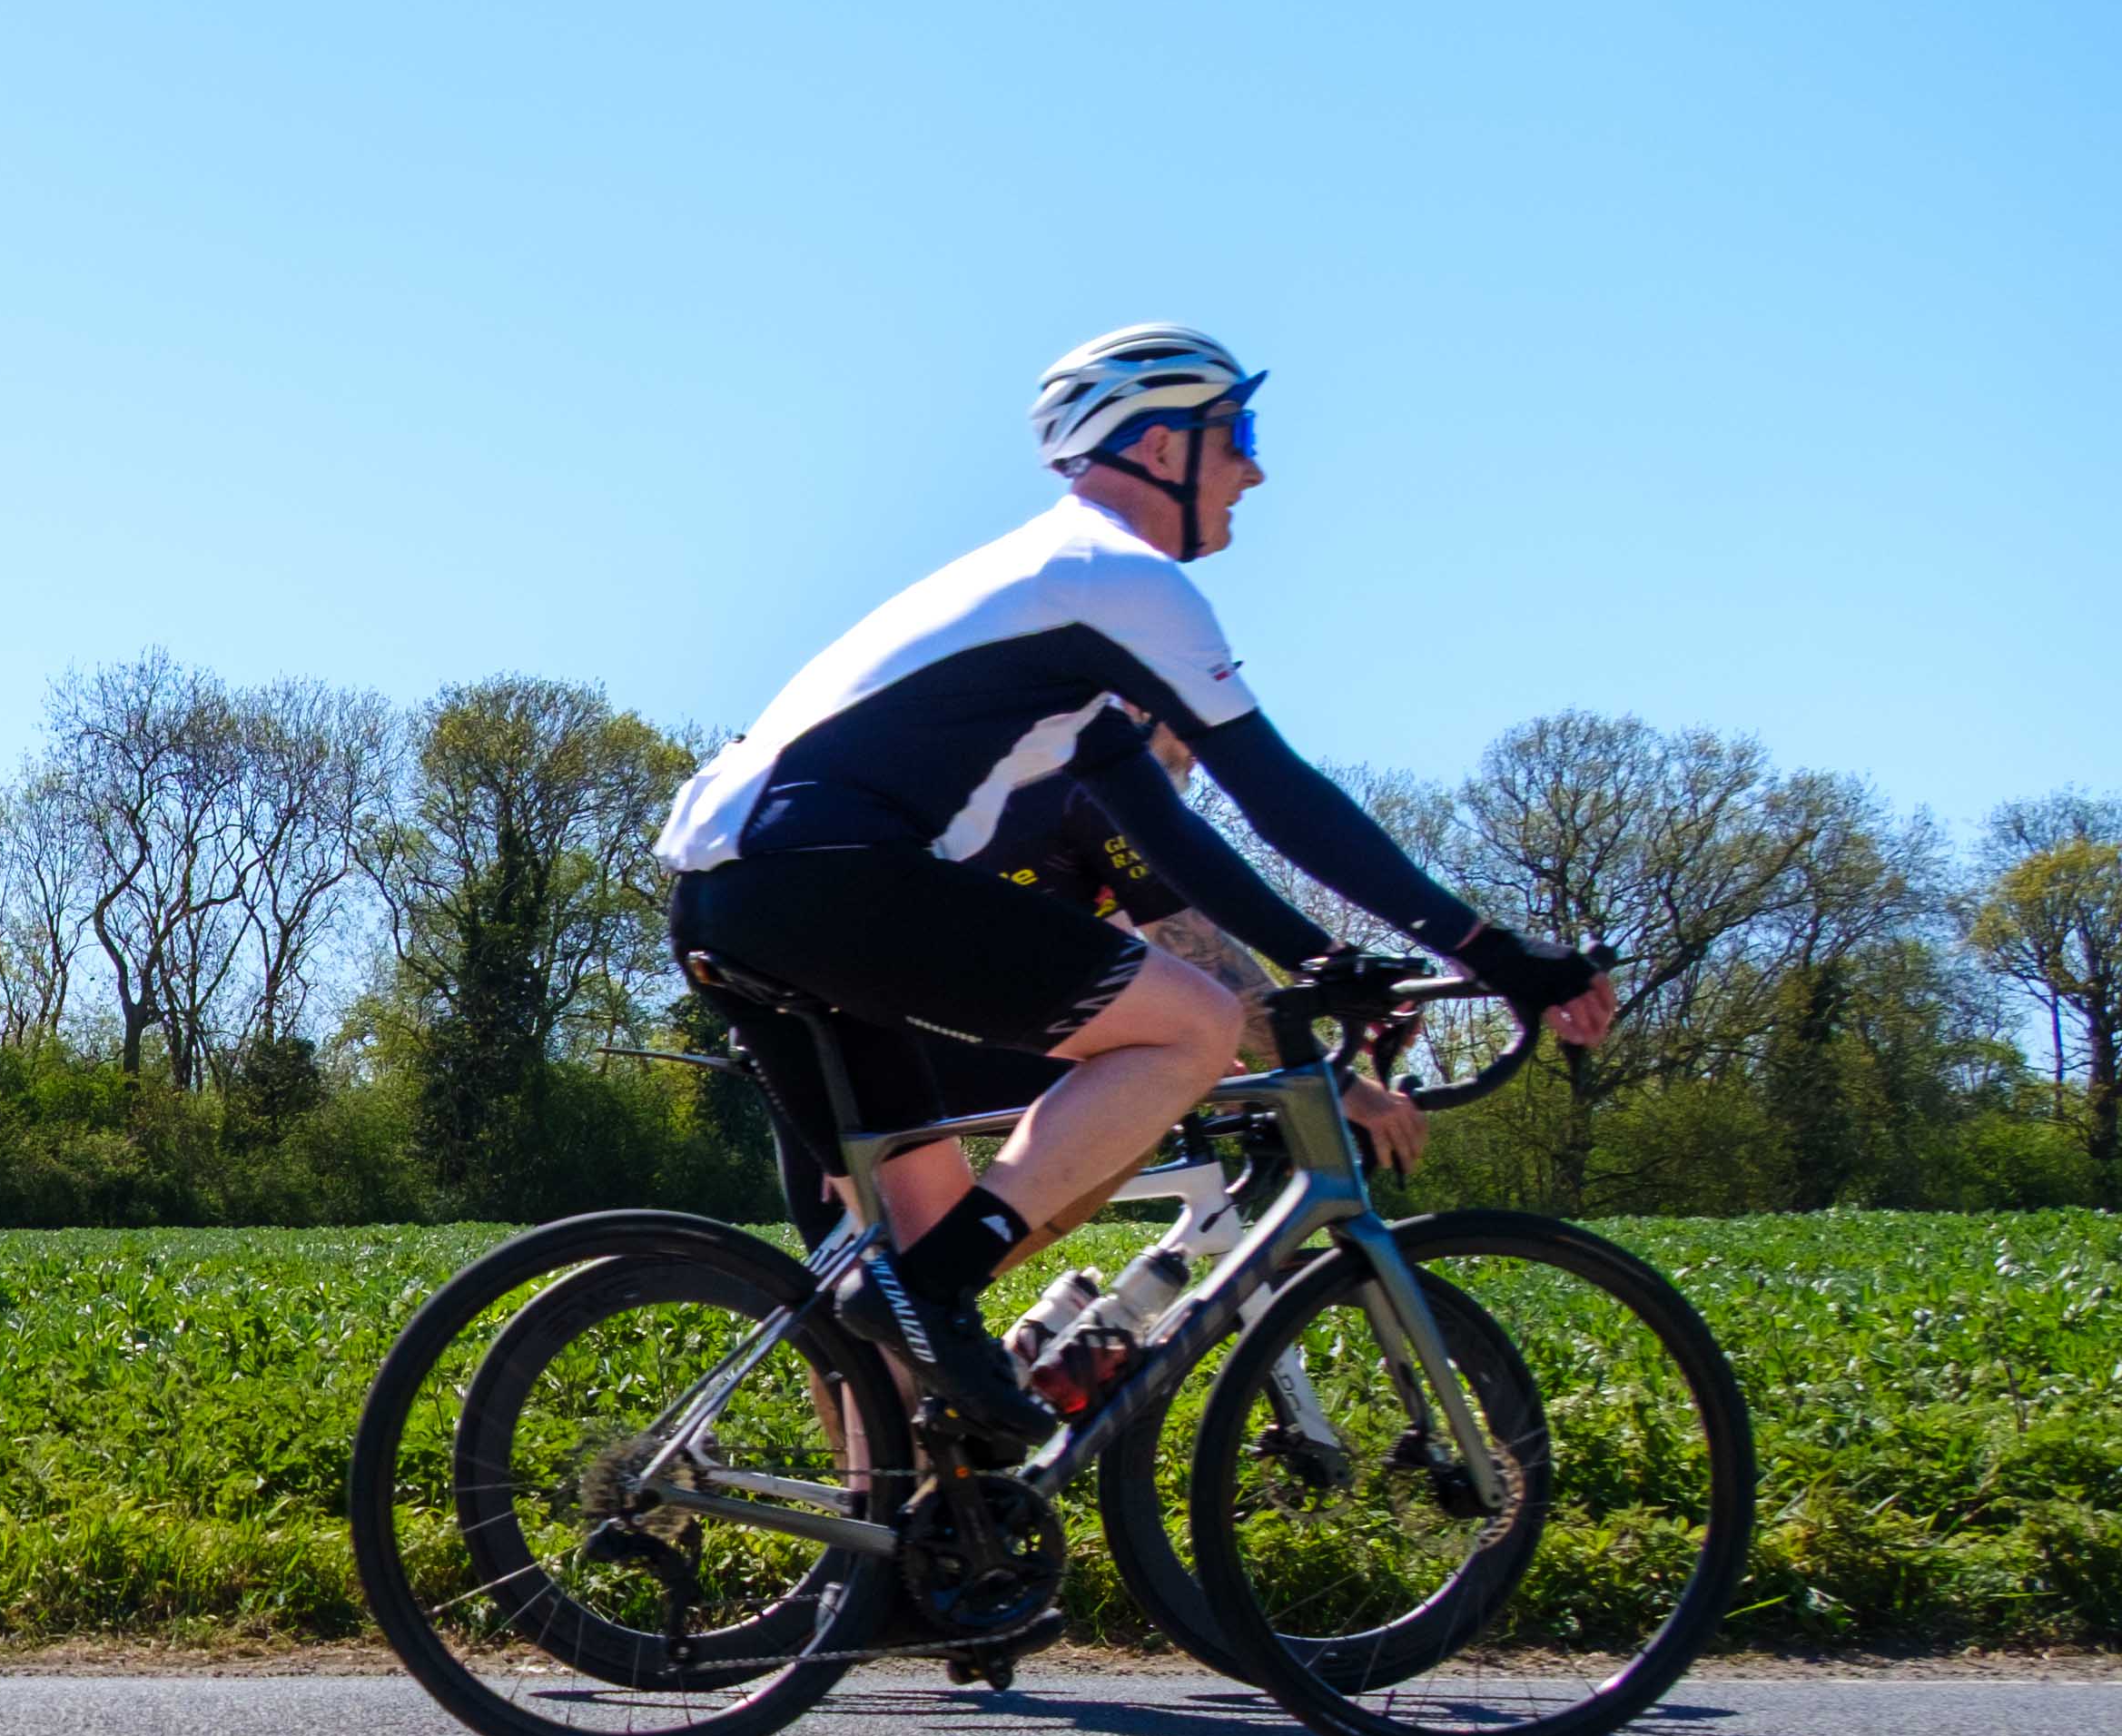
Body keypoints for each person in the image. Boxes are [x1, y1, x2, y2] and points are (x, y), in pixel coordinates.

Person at [654, 324, 1619, 1446]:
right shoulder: (1117, 574)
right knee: (1194, 1026)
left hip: (737, 898)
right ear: (1163, 444)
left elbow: (1178, 845)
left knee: (909, 1269)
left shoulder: (1051, 599)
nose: (1254, 471)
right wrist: (1501, 952)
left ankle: (899, 1558)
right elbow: (1277, 792)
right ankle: (934, 1291)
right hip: (829, 879)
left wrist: (1319, 960)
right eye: (1239, 437)